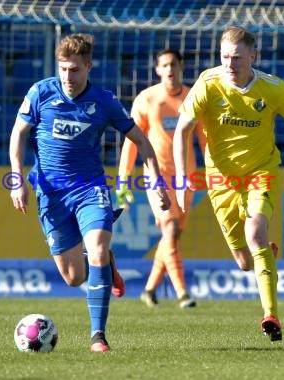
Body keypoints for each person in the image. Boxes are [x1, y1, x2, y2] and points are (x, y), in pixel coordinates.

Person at [172, 26, 284, 342]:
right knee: (245, 261)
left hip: (262, 172)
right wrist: (181, 179)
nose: (229, 65)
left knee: (254, 232)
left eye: (236, 58)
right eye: (224, 57)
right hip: (220, 180)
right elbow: (182, 131)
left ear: (252, 56)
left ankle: (271, 315)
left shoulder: (272, 88)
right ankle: (264, 252)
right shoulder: (208, 84)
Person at [9, 33, 170, 353]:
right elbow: (18, 134)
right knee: (72, 277)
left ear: (88, 67)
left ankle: (98, 336)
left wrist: (156, 181)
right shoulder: (40, 92)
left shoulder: (104, 101)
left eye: (75, 70)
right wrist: (17, 178)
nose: (68, 77)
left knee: (96, 245)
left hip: (89, 190)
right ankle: (105, 265)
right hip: (51, 193)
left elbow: (142, 141)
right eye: (63, 69)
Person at [116, 49, 206, 309]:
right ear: (157, 70)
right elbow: (132, 142)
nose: (169, 69)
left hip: (186, 178)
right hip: (157, 177)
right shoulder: (147, 99)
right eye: (164, 65)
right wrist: (123, 181)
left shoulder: (193, 98)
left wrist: (214, 170)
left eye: (173, 64)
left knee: (172, 237)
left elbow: (204, 139)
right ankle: (182, 293)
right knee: (170, 229)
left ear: (182, 67)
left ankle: (149, 289)